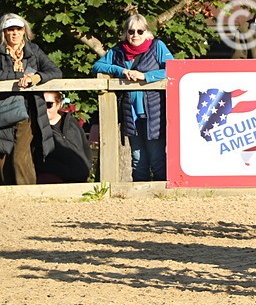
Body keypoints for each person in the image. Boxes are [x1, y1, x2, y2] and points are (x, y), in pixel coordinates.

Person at [92, 14, 174, 181]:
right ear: (125, 33)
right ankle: (138, 194)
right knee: (137, 160)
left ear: (146, 32)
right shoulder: (118, 51)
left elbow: (172, 69)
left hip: (154, 112)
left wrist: (146, 76)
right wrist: (121, 71)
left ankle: (161, 193)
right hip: (131, 113)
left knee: (157, 159)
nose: (135, 35)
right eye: (131, 31)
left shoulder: (157, 46)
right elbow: (97, 66)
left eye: (140, 31)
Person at [0, 13, 63, 185]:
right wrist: (21, 77)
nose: (14, 33)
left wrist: (35, 78)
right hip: (3, 110)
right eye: (10, 29)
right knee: (3, 158)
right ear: (4, 32)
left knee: (21, 157)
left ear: (24, 31)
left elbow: (55, 71)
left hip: (28, 110)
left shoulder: (33, 50)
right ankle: (8, 195)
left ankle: (28, 194)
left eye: (18, 29)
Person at [36, 91, 92, 183]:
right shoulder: (36, 129)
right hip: (55, 181)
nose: (45, 109)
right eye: (41, 105)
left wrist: (87, 166)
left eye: (49, 104)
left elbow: (85, 147)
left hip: (80, 179)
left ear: (58, 105)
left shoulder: (71, 122)